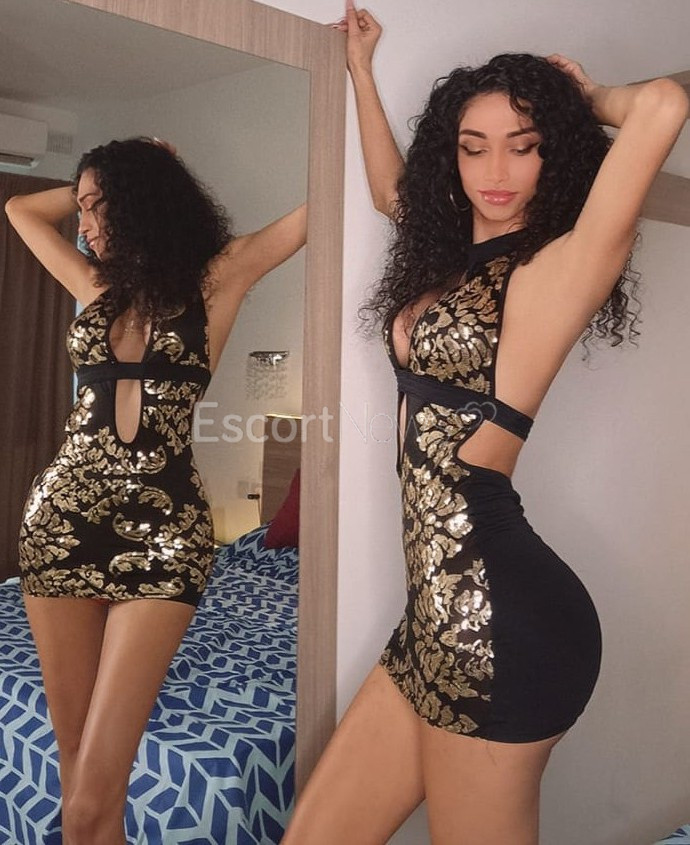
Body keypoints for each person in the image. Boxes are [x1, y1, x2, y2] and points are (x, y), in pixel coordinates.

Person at [280, 4, 688, 845]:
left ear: (554, 153)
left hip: (501, 621)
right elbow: (390, 190)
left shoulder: (556, 268)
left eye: (523, 144)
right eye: (473, 148)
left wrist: (585, 96)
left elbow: (664, 106)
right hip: (434, 617)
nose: (495, 170)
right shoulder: (449, 260)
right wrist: (360, 70)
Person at [5, 136, 306, 845]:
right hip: (60, 525)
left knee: (90, 800)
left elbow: (316, 213)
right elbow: (19, 210)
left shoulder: (218, 280)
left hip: (165, 539)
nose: (86, 225)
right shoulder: (92, 285)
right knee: (76, 781)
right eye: (82, 209)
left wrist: (139, 171)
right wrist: (91, 181)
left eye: (99, 207)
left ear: (144, 202)